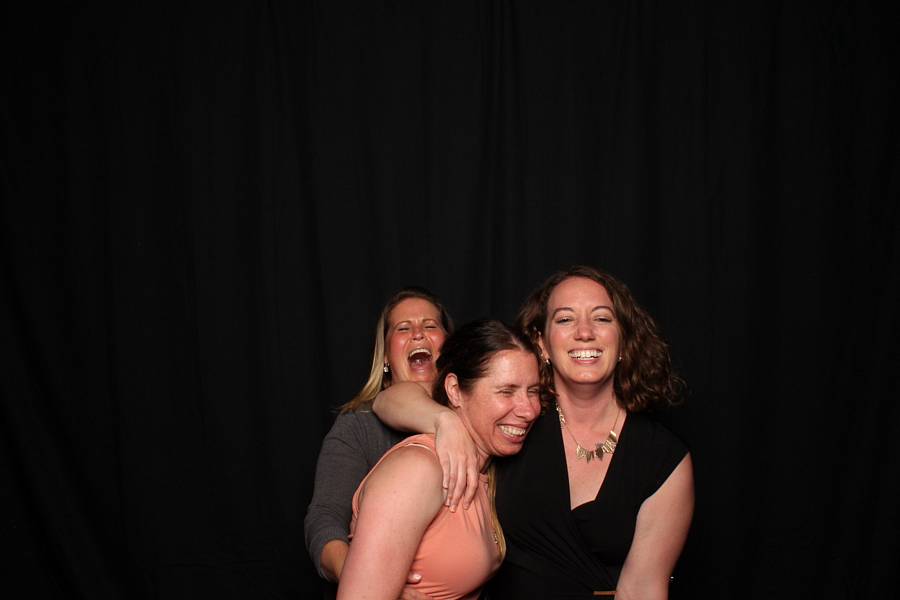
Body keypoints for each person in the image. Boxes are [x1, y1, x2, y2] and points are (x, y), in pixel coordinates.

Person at [374, 265, 694, 599]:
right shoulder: (514, 419)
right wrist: (444, 420)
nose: (585, 332)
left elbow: (643, 588)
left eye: (601, 318)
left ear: (624, 338)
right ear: (541, 343)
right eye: (565, 319)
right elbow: (387, 400)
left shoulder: (662, 457)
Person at [337, 319, 543, 600]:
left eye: (533, 391)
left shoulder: (485, 466)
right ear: (455, 391)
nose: (529, 410)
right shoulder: (418, 469)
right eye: (506, 391)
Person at [304, 287, 453, 594]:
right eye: (403, 328)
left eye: (430, 325)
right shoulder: (359, 426)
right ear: (385, 355)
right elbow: (324, 519)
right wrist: (371, 580)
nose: (418, 334)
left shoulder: (472, 418)